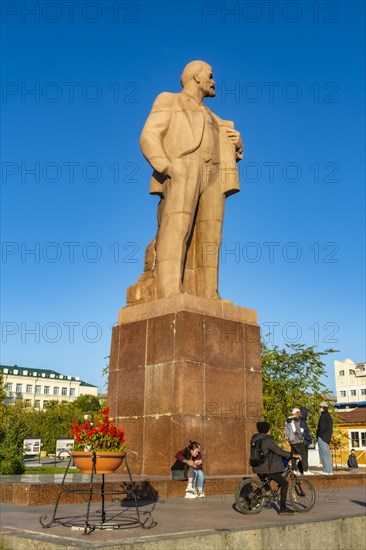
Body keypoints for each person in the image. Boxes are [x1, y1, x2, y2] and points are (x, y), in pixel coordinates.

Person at [129, 60, 243, 303]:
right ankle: (170, 292)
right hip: (183, 167)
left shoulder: (215, 117)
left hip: (214, 174)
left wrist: (237, 143)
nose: (214, 81)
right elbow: (148, 135)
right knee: (177, 227)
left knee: (212, 237)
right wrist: (167, 166)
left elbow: (230, 147)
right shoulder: (168, 100)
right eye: (210, 75)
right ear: (195, 77)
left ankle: (209, 293)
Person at [251, 421, 300, 515]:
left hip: (258, 467)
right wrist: (291, 455)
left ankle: (254, 502)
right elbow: (278, 451)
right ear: (266, 430)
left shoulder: (255, 440)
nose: (270, 430)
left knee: (266, 489)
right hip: (268, 468)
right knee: (284, 484)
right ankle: (282, 508)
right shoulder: (267, 440)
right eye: (269, 429)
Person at [284, 408, 310, 474]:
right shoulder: (295, 420)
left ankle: (294, 470)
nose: (299, 414)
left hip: (291, 441)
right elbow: (298, 431)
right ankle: (306, 470)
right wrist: (301, 438)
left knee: (294, 455)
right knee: (303, 455)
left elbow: (286, 431)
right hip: (297, 440)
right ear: (296, 413)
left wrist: (288, 439)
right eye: (298, 413)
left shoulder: (288, 420)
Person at [316, 401, 334, 475]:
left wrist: (318, 434)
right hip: (327, 437)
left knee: (323, 454)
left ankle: (326, 470)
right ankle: (330, 470)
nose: (320, 408)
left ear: (323, 407)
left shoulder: (323, 416)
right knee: (327, 454)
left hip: (322, 437)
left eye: (320, 407)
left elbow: (321, 427)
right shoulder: (329, 416)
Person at [299, 406, 313, 472]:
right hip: (304, 441)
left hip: (302, 441)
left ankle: (302, 469)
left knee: (302, 456)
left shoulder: (300, 420)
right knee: (304, 456)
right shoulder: (302, 422)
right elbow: (304, 432)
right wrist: (309, 439)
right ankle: (305, 469)